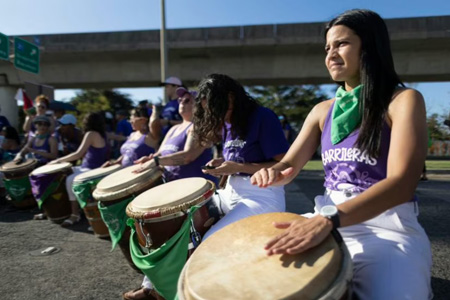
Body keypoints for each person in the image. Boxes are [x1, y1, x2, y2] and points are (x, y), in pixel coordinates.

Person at [251, 9, 432, 299]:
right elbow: (287, 164)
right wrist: (273, 171)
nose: (331, 54)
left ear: (370, 46)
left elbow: (402, 184)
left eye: (342, 44)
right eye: (327, 48)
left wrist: (329, 219)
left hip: (388, 231)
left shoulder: (403, 100)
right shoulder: (321, 110)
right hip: (324, 220)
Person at [122, 87, 218, 300]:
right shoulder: (174, 129)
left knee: (186, 244)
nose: (182, 102)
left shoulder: (199, 127)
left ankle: (181, 290)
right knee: (159, 240)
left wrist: (156, 161)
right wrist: (149, 159)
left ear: (200, 104)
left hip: (194, 197)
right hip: (172, 193)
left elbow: (188, 157)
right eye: (181, 100)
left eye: (188, 100)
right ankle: (152, 288)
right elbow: (160, 153)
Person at [49, 112, 110, 227]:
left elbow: (78, 154)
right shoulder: (103, 134)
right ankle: (71, 209)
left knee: (70, 179)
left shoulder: (90, 133)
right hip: (87, 167)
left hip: (92, 169)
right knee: (65, 173)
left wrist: (58, 160)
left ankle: (75, 214)